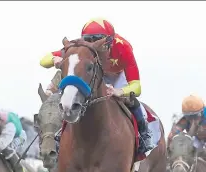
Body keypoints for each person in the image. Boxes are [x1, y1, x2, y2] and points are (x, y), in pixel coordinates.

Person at [39, 17, 154, 155]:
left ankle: (144, 133)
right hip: (92, 71)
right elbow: (43, 60)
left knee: (131, 99)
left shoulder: (123, 47)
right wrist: (54, 59)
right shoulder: (81, 47)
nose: (94, 45)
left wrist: (120, 91)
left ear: (110, 41)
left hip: (116, 76)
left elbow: (136, 87)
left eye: (98, 40)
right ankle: (59, 134)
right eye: (89, 40)